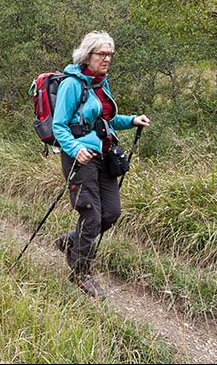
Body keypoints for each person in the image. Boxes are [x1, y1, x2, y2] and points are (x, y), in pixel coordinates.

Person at [51, 31, 150, 298]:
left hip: (104, 156)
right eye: (102, 54)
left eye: (110, 55)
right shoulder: (71, 84)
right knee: (91, 215)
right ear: (88, 55)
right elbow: (58, 126)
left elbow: (104, 121)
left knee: (111, 213)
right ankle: (80, 272)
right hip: (80, 159)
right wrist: (76, 148)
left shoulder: (100, 83)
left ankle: (72, 241)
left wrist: (131, 120)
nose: (107, 59)